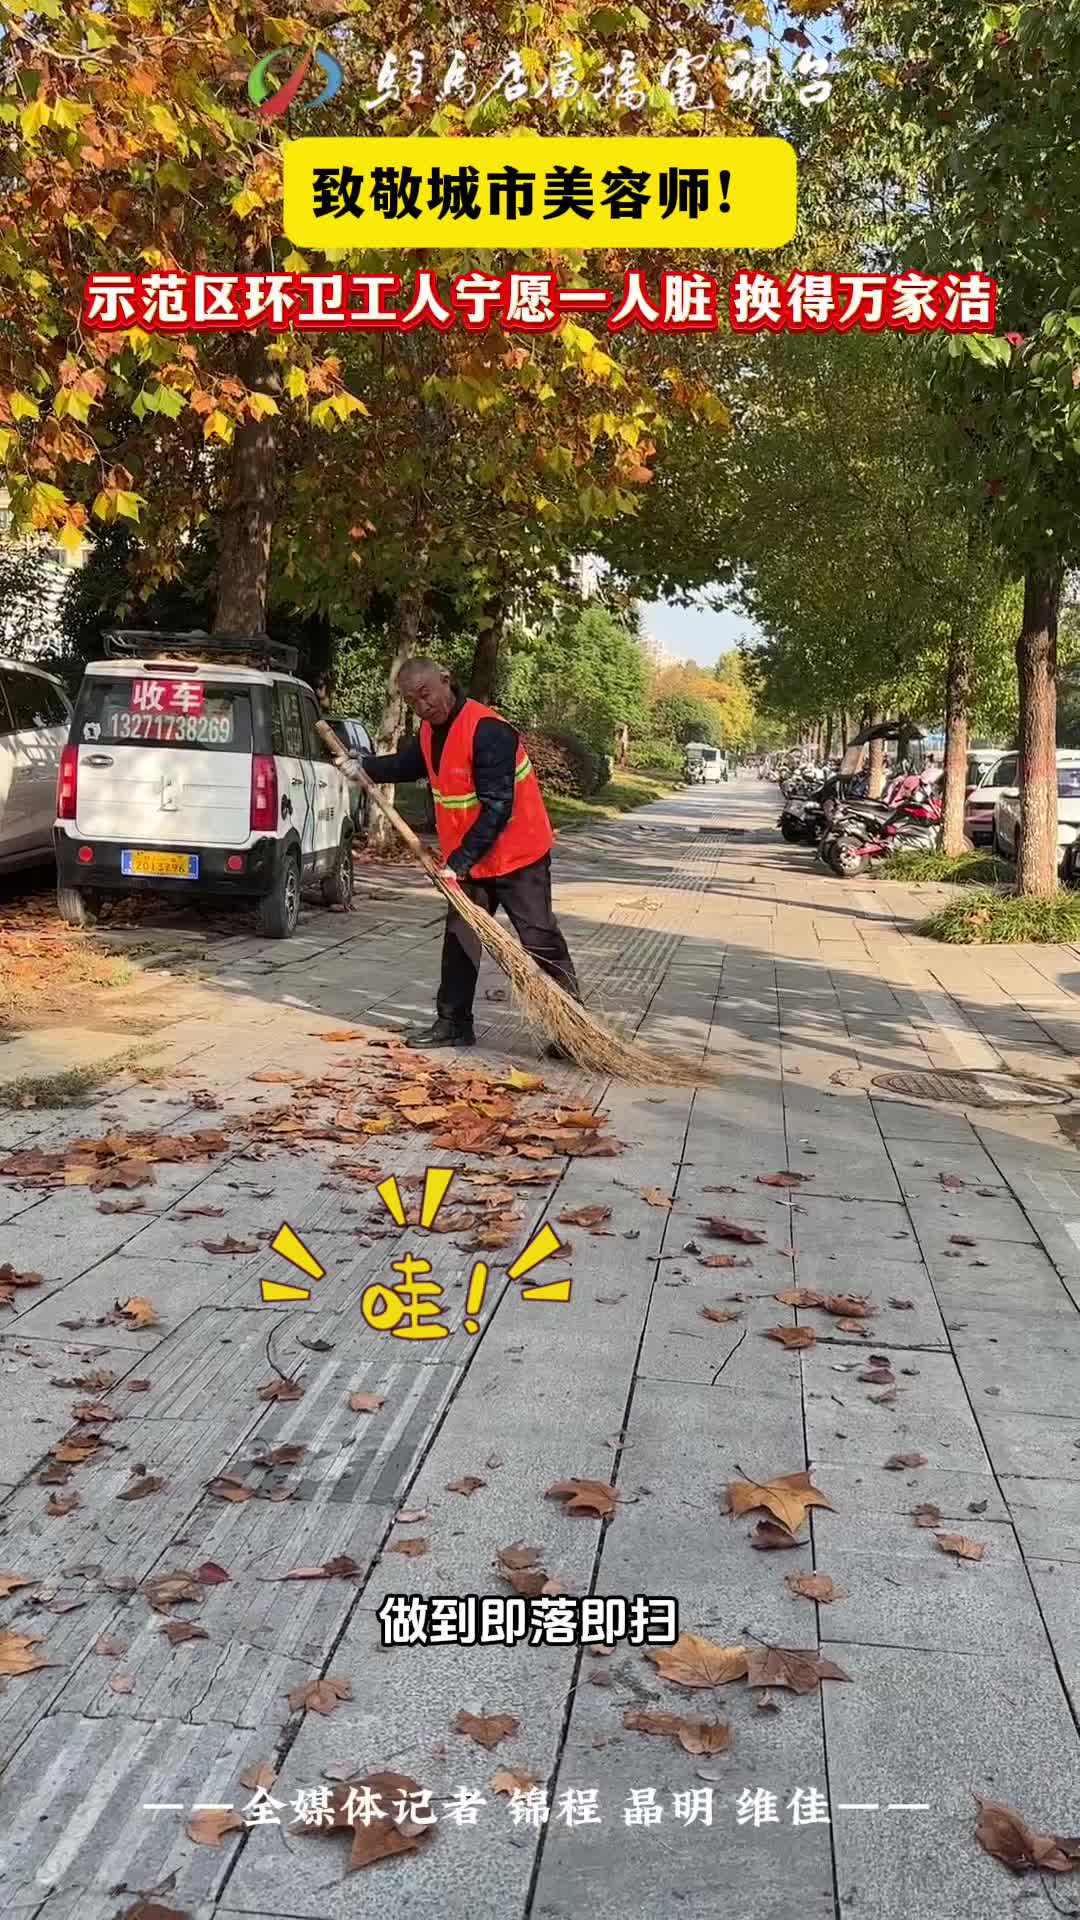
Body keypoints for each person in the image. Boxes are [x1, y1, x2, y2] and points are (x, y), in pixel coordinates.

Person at [360, 659, 579, 1051]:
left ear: (446, 680)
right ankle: (453, 1024)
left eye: (425, 695)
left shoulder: (487, 730)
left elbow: (497, 807)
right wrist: (363, 768)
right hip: (471, 859)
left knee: (538, 937)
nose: (422, 707)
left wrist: (457, 862)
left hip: (518, 856)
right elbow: (406, 765)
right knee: (460, 937)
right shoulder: (429, 732)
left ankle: (573, 1028)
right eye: (412, 702)